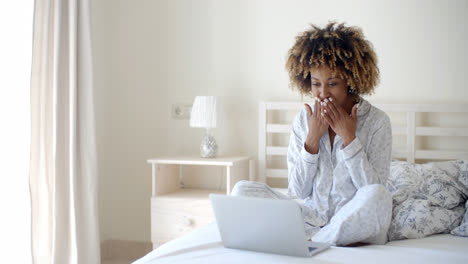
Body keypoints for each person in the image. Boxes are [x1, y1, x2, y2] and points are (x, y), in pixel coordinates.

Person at [231, 22, 393, 246]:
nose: (323, 93)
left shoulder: (377, 122)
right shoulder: (303, 120)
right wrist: (312, 140)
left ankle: (317, 240)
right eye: (316, 84)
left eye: (333, 83)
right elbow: (297, 190)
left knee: (379, 196)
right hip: (309, 220)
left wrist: (350, 139)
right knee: (241, 190)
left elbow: (371, 189)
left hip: (354, 224)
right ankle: (319, 237)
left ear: (352, 80)